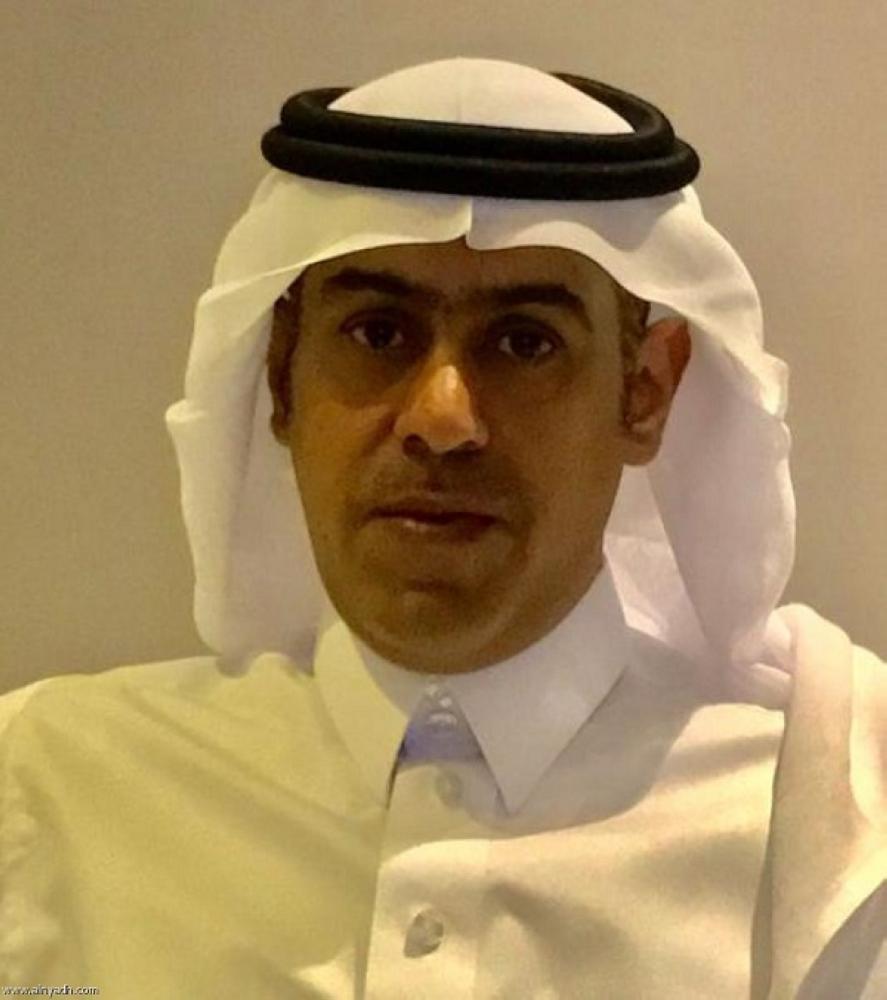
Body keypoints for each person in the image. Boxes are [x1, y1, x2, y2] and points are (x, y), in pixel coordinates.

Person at [1, 58, 883, 999]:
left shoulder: (837, 831)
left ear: (644, 392)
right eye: (378, 333)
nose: (442, 417)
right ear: (281, 375)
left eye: (524, 343)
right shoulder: (43, 792)